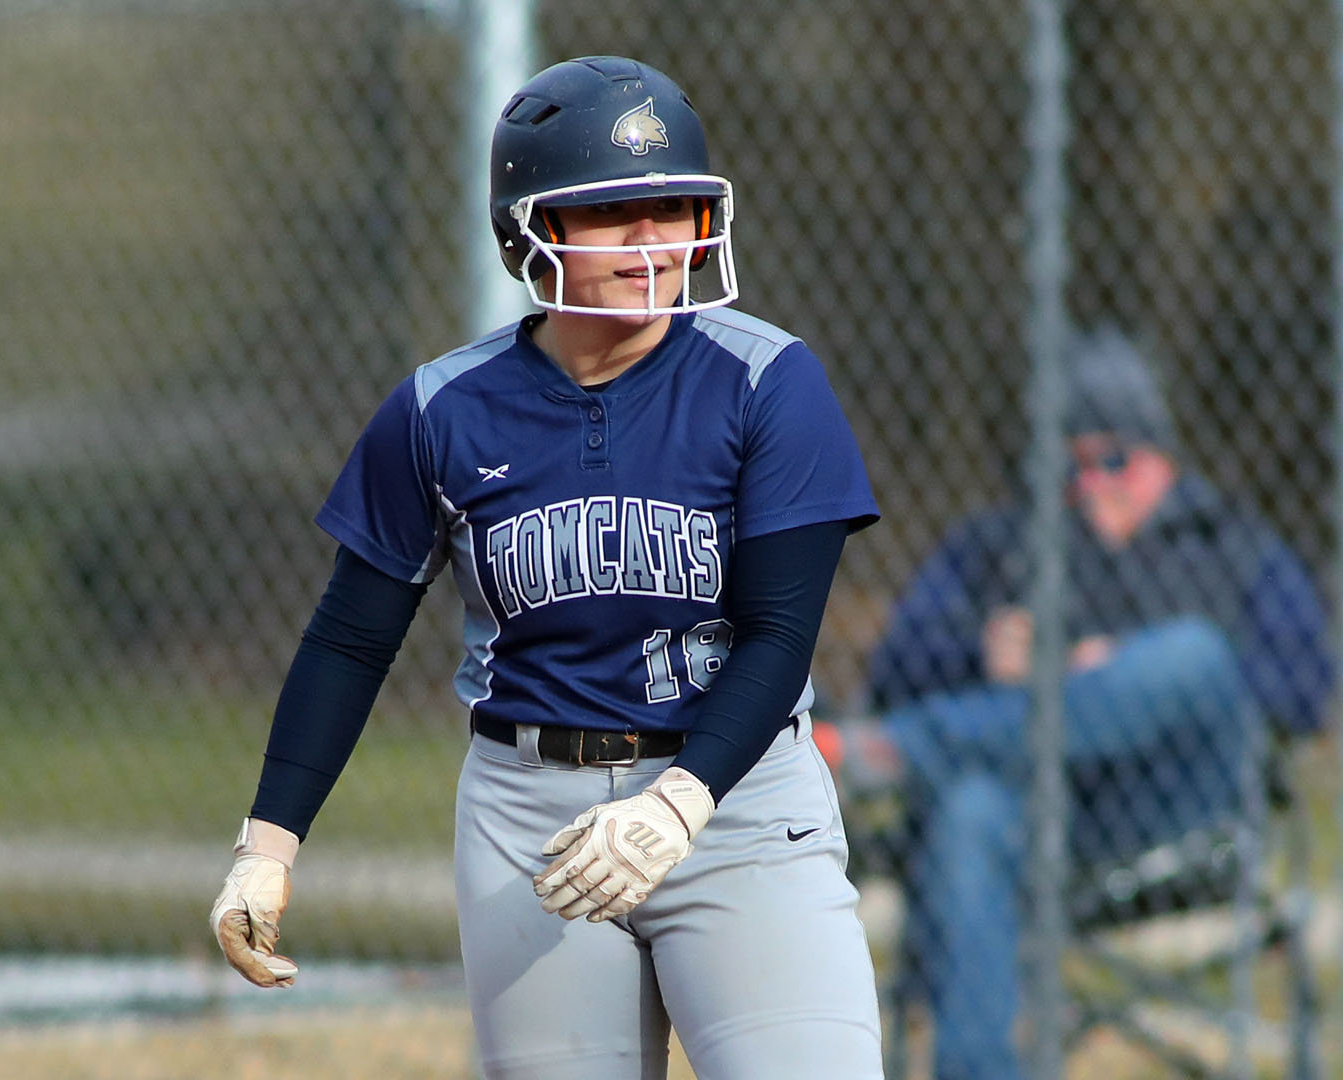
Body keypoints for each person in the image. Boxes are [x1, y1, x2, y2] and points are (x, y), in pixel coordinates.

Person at [208, 56, 885, 1079]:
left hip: (736, 802)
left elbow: (781, 637)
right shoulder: (444, 409)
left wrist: (678, 802)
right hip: (533, 813)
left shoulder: (766, 380)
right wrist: (267, 847)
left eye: (675, 208)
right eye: (617, 213)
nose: (657, 241)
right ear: (534, 230)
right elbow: (351, 638)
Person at [825, 327, 1332, 1080]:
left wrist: (1121, 673)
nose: (1093, 483)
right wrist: (980, 653)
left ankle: (896, 749)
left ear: (1161, 454)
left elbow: (1307, 688)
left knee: (1193, 655)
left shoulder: (1229, 546)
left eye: (1115, 460)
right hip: (1039, 814)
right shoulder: (1008, 543)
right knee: (966, 813)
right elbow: (899, 661)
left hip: (1183, 807)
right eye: (1075, 465)